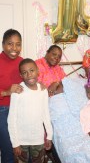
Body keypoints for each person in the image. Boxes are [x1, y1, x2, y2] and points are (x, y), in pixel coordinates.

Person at [8, 58, 53, 163]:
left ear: (38, 71)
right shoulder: (17, 92)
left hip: (38, 139)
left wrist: (49, 136)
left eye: (32, 70)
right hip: (21, 141)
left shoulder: (43, 91)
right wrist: (15, 143)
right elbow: (11, 119)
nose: (29, 75)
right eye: (25, 72)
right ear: (21, 75)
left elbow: (46, 114)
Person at [0, 29, 23, 163]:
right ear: (3, 44)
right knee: (8, 148)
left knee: (21, 149)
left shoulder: (23, 62)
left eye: (18, 44)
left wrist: (39, 85)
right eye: (10, 44)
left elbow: (30, 82)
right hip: (2, 110)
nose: (14, 48)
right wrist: (6, 92)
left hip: (20, 110)